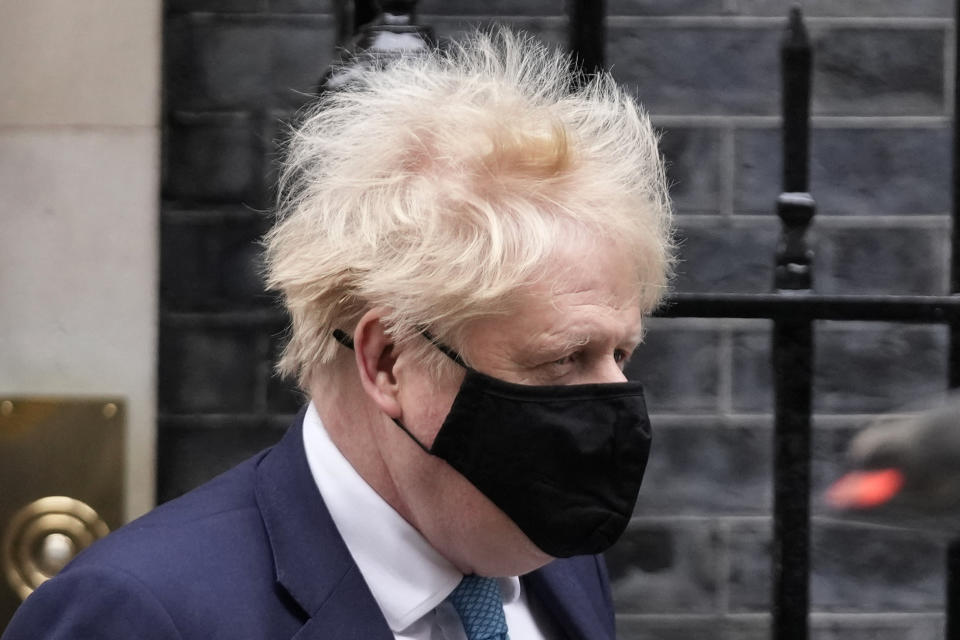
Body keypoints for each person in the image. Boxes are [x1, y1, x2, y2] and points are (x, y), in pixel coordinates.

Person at [3, 28, 673, 640]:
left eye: (621, 353)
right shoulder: (139, 615)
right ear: (387, 360)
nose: (615, 400)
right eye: (565, 359)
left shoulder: (555, 567)